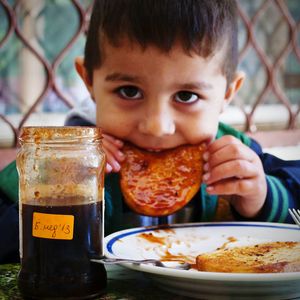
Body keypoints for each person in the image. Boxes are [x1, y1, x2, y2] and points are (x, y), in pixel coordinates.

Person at [0, 0, 299, 264]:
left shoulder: (236, 160)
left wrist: (262, 198)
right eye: (129, 91)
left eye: (186, 96)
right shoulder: (54, 163)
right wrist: (60, 189)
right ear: (89, 81)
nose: (157, 126)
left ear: (227, 93)